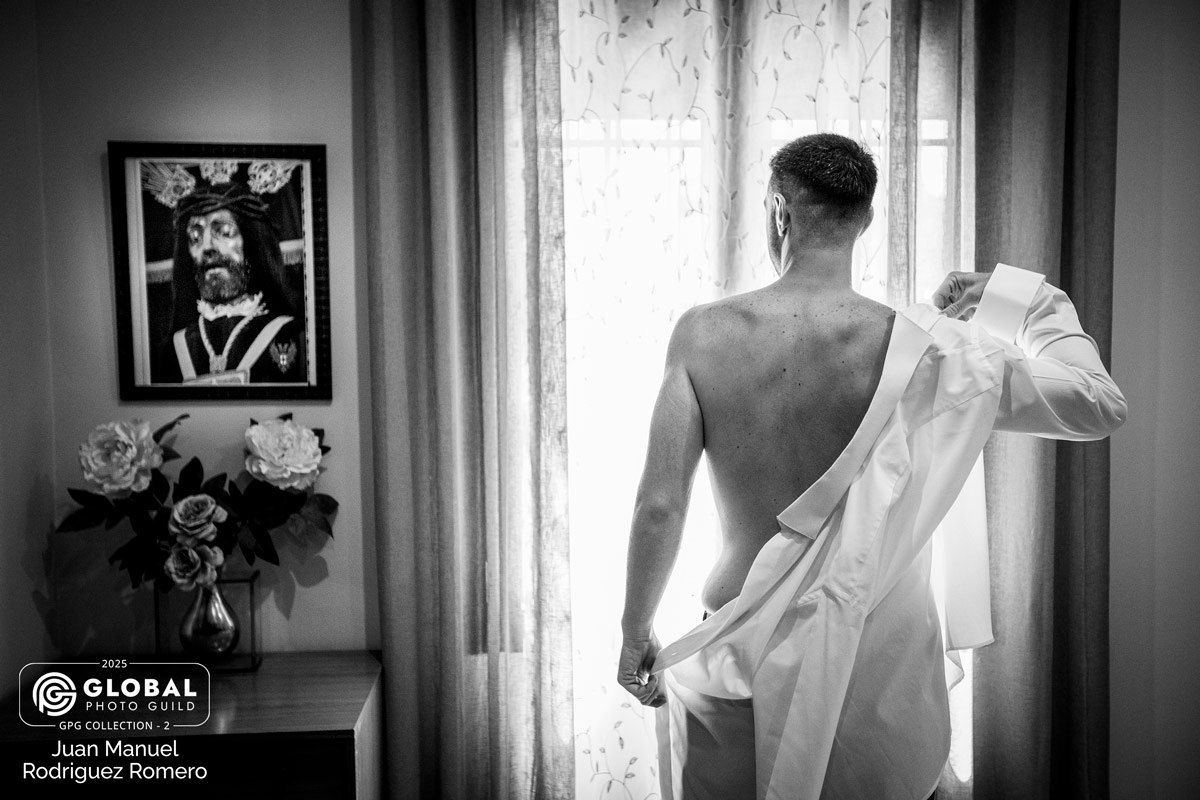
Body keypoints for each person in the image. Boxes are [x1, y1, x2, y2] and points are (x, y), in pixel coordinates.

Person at [617, 133, 1127, 799]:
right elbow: (1098, 404)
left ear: (778, 212)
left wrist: (635, 632)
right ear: (865, 220)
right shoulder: (927, 355)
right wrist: (1024, 300)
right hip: (872, 669)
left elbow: (660, 506)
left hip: (735, 652)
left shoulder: (702, 334)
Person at [155, 180, 306, 385]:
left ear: (252, 243)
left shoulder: (291, 335)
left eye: (225, 232)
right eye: (195, 237)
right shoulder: (173, 349)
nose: (207, 247)